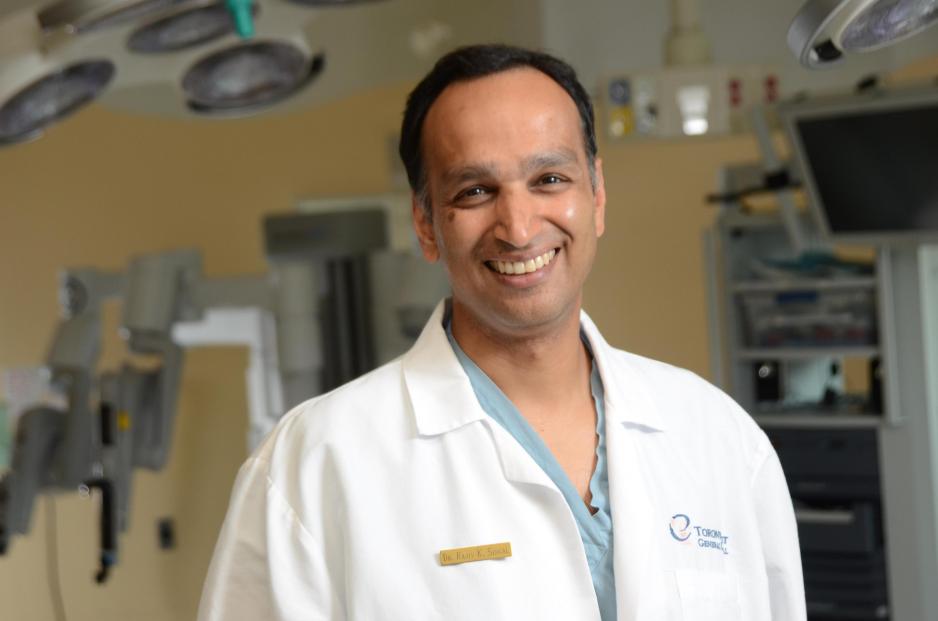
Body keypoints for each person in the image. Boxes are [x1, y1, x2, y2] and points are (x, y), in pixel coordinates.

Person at [198, 44, 806, 620]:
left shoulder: (720, 439)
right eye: (476, 191)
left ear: (595, 195)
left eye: (549, 180)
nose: (517, 228)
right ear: (427, 223)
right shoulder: (316, 464)